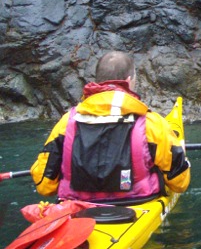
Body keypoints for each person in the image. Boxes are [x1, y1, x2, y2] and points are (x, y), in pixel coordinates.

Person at [30, 51, 190, 203]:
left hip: (78, 208)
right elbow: (180, 183)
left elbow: (44, 185)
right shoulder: (152, 124)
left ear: (98, 81)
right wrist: (181, 156)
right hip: (138, 203)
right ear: (128, 81)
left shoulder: (66, 123)